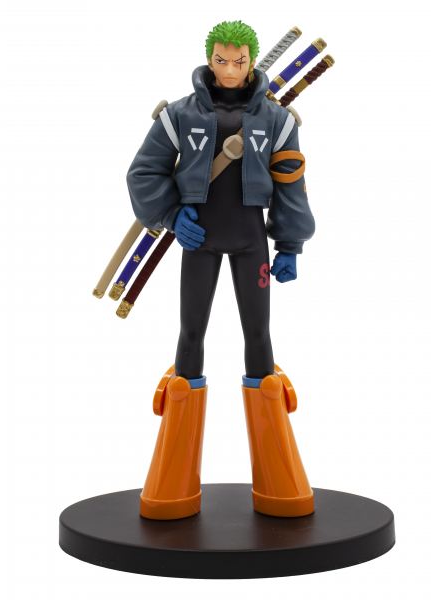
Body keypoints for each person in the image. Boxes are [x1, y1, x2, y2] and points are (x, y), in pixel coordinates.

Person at [127, 20, 316, 520]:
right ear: (209, 59)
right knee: (190, 334)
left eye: (239, 61)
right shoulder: (179, 115)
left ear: (251, 61)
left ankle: (279, 481)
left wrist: (290, 243)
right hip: (200, 239)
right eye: (221, 60)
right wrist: (171, 215)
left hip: (253, 241)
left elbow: (292, 182)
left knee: (260, 335)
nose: (230, 70)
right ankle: (172, 483)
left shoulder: (277, 119)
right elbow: (144, 171)